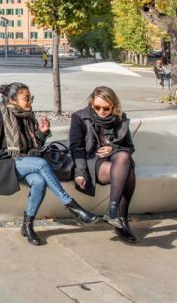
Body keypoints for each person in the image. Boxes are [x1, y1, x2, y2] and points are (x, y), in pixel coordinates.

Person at [0, 82, 99, 246]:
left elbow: (34, 146)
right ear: (12, 100)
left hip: (23, 163)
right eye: (26, 98)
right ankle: (73, 207)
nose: (30, 102)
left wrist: (42, 133)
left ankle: (28, 225)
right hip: (2, 166)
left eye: (31, 98)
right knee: (40, 163)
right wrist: (16, 153)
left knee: (39, 181)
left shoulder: (27, 117)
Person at [69, 86, 138, 244]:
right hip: (93, 162)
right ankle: (120, 221)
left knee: (124, 157)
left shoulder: (120, 118)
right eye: (97, 107)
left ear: (114, 106)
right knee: (128, 174)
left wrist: (113, 148)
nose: (101, 111)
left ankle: (113, 210)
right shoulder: (79, 117)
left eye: (106, 108)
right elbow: (76, 148)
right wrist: (80, 172)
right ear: (92, 103)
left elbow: (129, 147)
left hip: (117, 161)